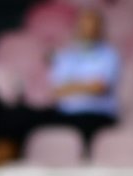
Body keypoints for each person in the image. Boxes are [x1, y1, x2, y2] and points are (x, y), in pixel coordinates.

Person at [42, 7, 121, 149]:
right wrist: (86, 85)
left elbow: (99, 88)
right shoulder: (66, 55)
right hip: (65, 115)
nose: (88, 30)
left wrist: (72, 86)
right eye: (84, 25)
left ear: (99, 28)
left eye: (92, 26)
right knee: (34, 121)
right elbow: (57, 91)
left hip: (96, 116)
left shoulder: (110, 55)